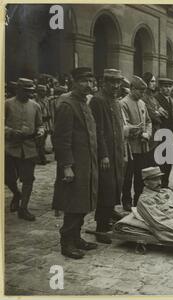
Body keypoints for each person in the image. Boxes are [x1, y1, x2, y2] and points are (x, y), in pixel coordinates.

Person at [52, 67, 99, 259]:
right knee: (73, 202)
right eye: (83, 81)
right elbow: (61, 139)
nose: (88, 85)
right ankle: (67, 242)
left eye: (90, 81)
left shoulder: (84, 103)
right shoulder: (67, 104)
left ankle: (77, 237)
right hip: (74, 165)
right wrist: (67, 166)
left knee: (84, 201)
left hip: (87, 163)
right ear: (74, 82)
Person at [90, 69, 125, 244]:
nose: (116, 85)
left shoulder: (114, 100)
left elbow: (118, 128)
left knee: (114, 186)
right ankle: (101, 227)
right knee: (106, 188)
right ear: (105, 82)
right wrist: (103, 154)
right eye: (112, 82)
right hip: (106, 154)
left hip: (116, 152)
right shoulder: (98, 100)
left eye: (118, 82)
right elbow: (98, 130)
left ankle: (108, 218)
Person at [5, 78, 45, 221]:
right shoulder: (7, 104)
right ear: (18, 90)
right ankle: (16, 193)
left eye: (30, 91)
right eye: (25, 91)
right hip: (10, 147)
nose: (28, 94)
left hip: (29, 148)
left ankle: (23, 208)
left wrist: (40, 132)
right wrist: (10, 131)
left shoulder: (35, 106)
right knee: (8, 178)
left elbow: (40, 125)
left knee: (28, 179)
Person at [120, 76, 152, 212]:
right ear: (132, 89)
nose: (142, 94)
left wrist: (148, 134)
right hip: (130, 147)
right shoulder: (123, 103)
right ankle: (126, 201)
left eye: (144, 91)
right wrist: (139, 131)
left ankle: (138, 199)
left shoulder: (142, 103)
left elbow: (149, 121)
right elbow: (124, 125)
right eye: (140, 91)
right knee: (128, 176)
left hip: (143, 146)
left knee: (140, 176)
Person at [142, 72, 168, 167]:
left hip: (156, 133)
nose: (154, 84)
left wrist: (157, 112)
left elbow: (165, 113)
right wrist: (157, 112)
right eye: (152, 81)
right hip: (149, 134)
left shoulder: (152, 97)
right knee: (148, 163)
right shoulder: (143, 97)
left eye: (154, 81)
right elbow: (152, 115)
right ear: (146, 82)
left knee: (153, 162)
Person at [155, 78, 173, 188]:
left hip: (169, 136)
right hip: (161, 136)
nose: (167, 89)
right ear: (160, 88)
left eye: (169, 87)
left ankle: (165, 184)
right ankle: (162, 185)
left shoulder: (169, 100)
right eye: (165, 87)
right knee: (162, 164)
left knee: (168, 163)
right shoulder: (157, 99)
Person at [34, 84, 50, 165]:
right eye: (42, 90)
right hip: (39, 122)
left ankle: (41, 157)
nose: (44, 92)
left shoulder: (46, 99)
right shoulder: (35, 101)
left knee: (43, 141)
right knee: (39, 142)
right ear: (38, 91)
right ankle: (40, 158)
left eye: (45, 90)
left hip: (46, 122)